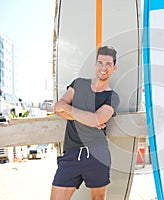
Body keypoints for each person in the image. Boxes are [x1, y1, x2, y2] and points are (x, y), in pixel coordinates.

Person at [50, 46, 120, 200]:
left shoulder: (112, 96)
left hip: (97, 154)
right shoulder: (79, 84)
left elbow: (97, 119)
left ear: (114, 67)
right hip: (71, 154)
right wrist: (90, 119)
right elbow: (57, 107)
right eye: (100, 63)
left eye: (108, 64)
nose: (103, 68)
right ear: (95, 64)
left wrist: (75, 112)